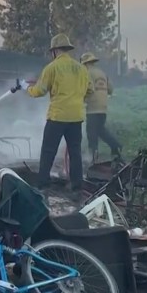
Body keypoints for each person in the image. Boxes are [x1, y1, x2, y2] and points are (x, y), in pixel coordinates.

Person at [25, 33, 91, 195]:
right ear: (67, 49)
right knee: (75, 152)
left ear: (54, 51)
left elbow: (39, 90)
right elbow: (89, 90)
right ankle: (77, 186)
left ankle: (43, 184)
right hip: (76, 117)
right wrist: (75, 97)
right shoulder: (81, 68)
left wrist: (28, 89)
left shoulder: (52, 67)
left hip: (57, 117)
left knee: (48, 150)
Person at [80, 52, 122, 163]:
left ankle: (92, 157)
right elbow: (111, 89)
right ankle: (115, 146)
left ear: (86, 64)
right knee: (100, 130)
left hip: (93, 107)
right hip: (103, 108)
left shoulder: (87, 73)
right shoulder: (102, 73)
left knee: (91, 132)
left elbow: (84, 88)